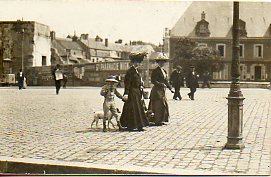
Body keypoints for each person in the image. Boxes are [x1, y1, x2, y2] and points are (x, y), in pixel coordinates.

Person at [120, 52, 149, 131]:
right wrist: (126, 93)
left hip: (137, 92)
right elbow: (127, 83)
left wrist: (141, 86)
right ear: (132, 62)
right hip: (132, 93)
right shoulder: (130, 71)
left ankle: (139, 125)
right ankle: (131, 125)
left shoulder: (137, 71)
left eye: (139, 62)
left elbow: (138, 81)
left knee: (138, 108)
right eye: (136, 62)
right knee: (132, 108)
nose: (137, 64)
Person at [148, 53, 174, 126]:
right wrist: (160, 84)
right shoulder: (155, 71)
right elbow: (153, 80)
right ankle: (157, 120)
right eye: (160, 62)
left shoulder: (164, 71)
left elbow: (166, 81)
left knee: (163, 105)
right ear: (158, 62)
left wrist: (170, 88)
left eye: (163, 62)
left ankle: (162, 119)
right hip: (156, 90)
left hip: (162, 91)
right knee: (157, 105)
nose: (162, 63)